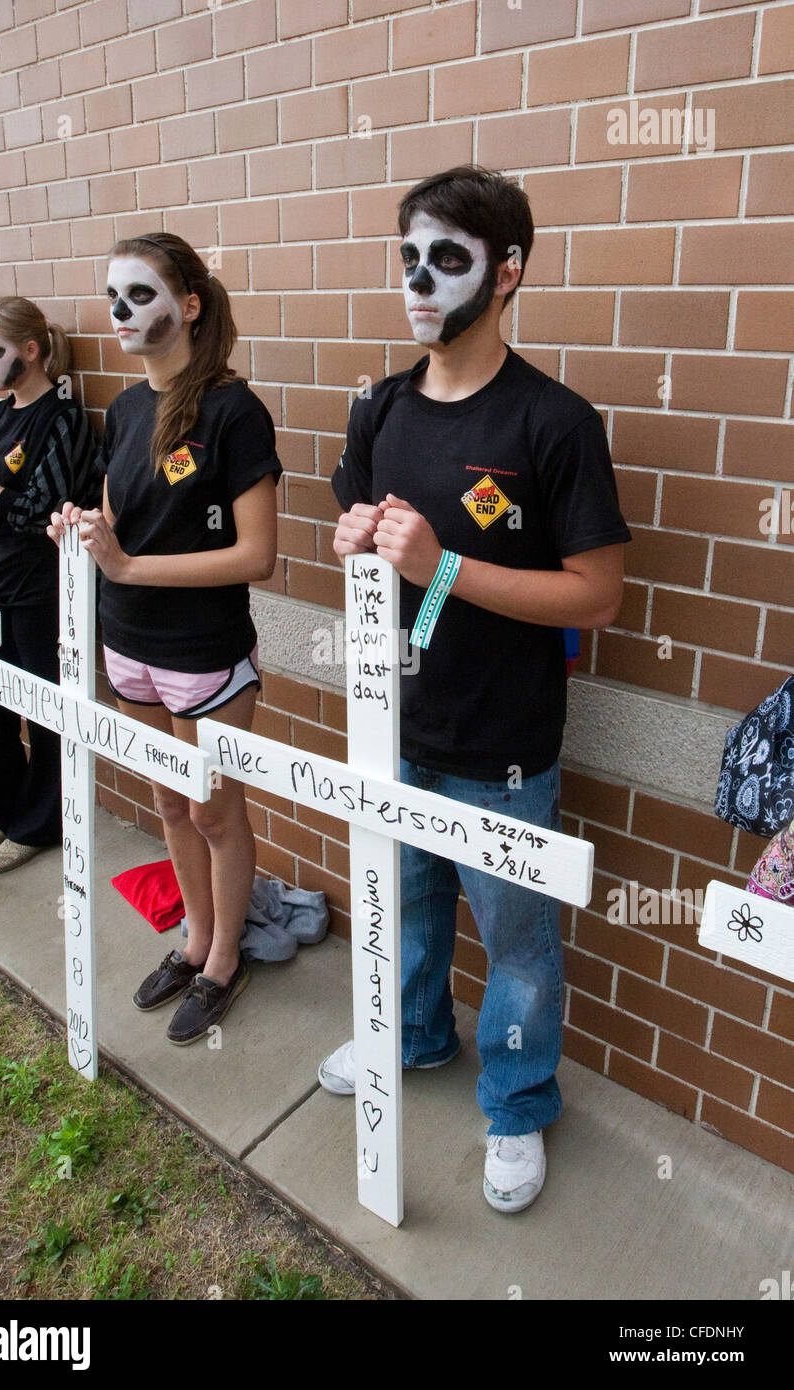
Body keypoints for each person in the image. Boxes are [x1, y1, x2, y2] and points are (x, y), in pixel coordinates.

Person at [319, 166, 631, 1212]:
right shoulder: (380, 406)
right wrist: (356, 542)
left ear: (506, 274)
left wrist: (440, 566)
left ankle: (517, 1104)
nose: (417, 281)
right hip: (395, 726)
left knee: (518, 947)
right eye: (407, 256)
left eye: (445, 259)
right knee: (405, 908)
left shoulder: (555, 421)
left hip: (504, 748)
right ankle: (409, 1040)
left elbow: (598, 593)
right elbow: (357, 533)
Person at [49, 233, 280, 1046]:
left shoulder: (232, 409)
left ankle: (224, 959)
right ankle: (191, 941)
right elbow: (120, 524)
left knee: (215, 811)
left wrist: (131, 567)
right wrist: (83, 532)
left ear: (187, 305)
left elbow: (258, 555)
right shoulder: (124, 407)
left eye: (139, 294)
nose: (119, 311)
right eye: (112, 295)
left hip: (206, 653)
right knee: (169, 804)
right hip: (127, 643)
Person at [0, 297, 98, 873]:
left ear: (30, 351)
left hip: (44, 592)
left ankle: (40, 825)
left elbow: (39, 509)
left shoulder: (62, 418)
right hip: (0, 584)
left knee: (47, 714)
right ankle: (1, 812)